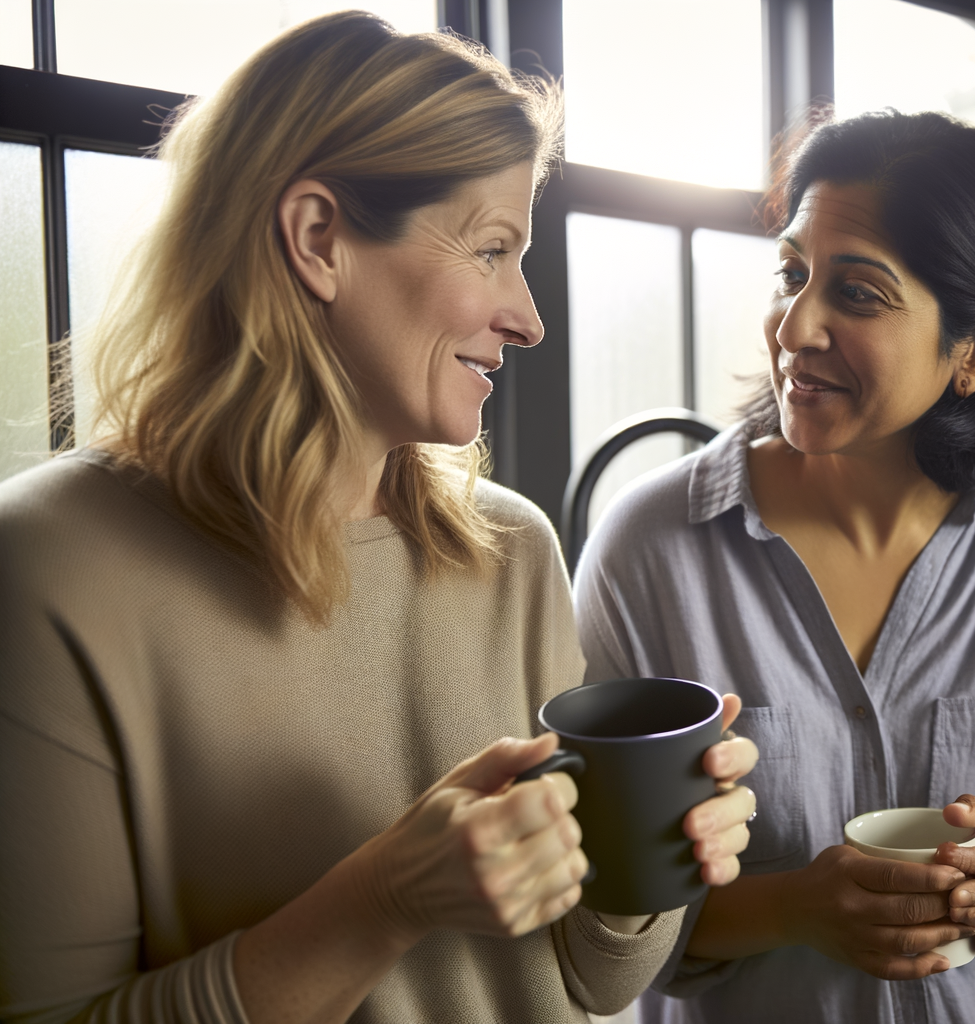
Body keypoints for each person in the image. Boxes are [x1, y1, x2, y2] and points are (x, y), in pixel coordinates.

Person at [0, 14, 756, 1024]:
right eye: (491, 250)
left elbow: (597, 978)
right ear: (319, 238)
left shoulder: (513, 550)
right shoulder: (50, 565)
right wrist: (384, 900)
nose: (529, 318)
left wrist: (652, 851)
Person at [572, 110, 975, 1023]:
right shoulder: (651, 547)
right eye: (792, 274)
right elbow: (604, 919)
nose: (794, 328)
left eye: (858, 294)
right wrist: (794, 909)